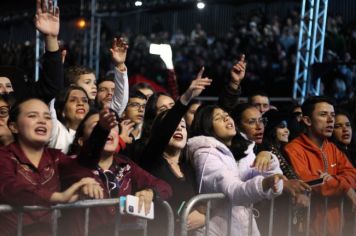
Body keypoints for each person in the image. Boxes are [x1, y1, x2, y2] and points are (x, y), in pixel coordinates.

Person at [0, 97, 103, 236]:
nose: (42, 121)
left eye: (47, 117)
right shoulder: (4, 156)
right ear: (13, 126)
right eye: (32, 115)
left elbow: (81, 166)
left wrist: (88, 182)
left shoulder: (55, 157)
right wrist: (56, 197)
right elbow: (10, 188)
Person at [63, 108, 172, 236]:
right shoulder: (72, 164)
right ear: (81, 141)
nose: (108, 130)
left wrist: (151, 192)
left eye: (113, 127)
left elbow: (165, 187)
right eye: (97, 126)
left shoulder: (125, 164)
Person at [187, 105, 285, 236]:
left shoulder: (242, 150)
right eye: (219, 118)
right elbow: (232, 190)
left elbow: (276, 187)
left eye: (227, 116)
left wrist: (270, 164)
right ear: (207, 126)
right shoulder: (205, 154)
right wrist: (264, 183)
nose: (227, 119)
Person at [139, 67, 212, 235]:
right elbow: (165, 130)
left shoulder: (189, 166)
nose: (179, 127)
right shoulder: (150, 159)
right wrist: (186, 97)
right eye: (174, 125)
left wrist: (204, 215)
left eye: (183, 126)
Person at [284, 96, 356, 236]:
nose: (330, 120)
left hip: (337, 228)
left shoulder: (333, 148)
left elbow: (352, 175)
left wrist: (332, 180)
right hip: (306, 229)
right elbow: (308, 182)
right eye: (323, 115)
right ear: (307, 120)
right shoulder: (293, 149)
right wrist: (346, 188)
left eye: (333, 116)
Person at [0, 0, 63, 104]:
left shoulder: (20, 103)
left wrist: (51, 38)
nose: (5, 91)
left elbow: (51, 88)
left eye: (8, 86)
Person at [48, 86, 90, 153]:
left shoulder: (94, 133)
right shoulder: (57, 130)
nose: (80, 103)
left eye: (84, 100)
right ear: (62, 111)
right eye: (73, 100)